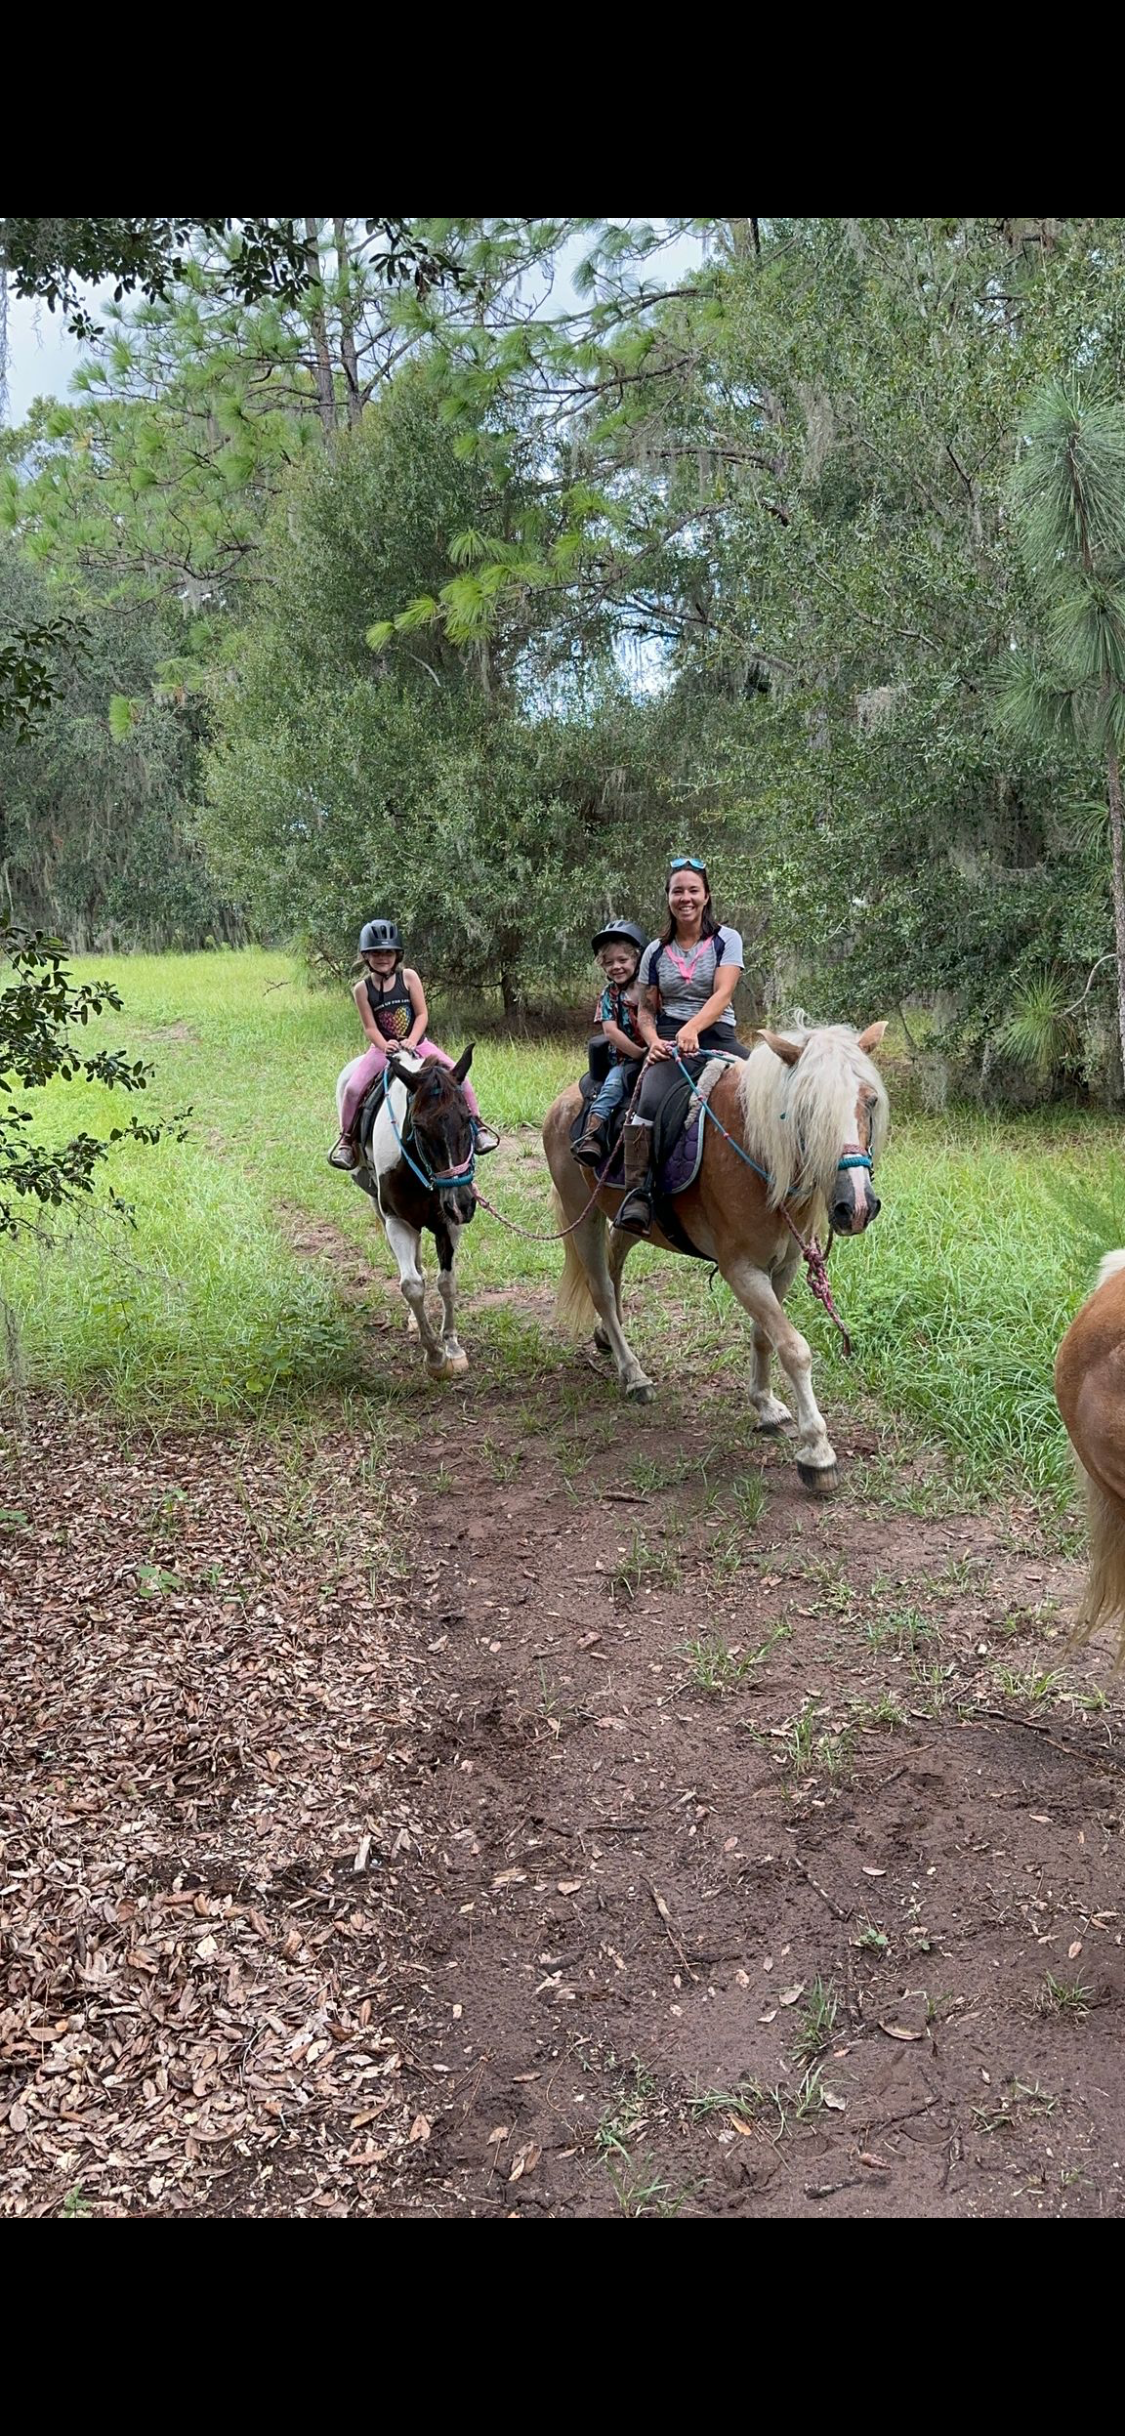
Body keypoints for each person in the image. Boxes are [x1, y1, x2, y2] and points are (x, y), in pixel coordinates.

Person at [614, 859, 750, 1234]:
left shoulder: (727, 939)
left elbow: (723, 993)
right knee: (649, 1100)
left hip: (717, 1033)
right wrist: (655, 1042)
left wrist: (693, 1029)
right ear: (668, 898)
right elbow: (645, 1009)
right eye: (678, 891)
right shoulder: (655, 952)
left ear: (706, 896)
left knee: (768, 1088)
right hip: (671, 1037)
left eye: (693, 890)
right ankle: (638, 1194)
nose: (685, 898)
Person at [328, 918, 492, 1171]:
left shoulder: (409, 977)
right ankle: (347, 1140)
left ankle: (478, 1126)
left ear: (397, 954)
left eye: (388, 952)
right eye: (376, 953)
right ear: (366, 956)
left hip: (419, 1044)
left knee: (459, 1078)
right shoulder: (362, 989)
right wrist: (385, 1046)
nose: (383, 957)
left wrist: (412, 1040)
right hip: (383, 1050)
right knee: (352, 1089)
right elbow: (370, 1027)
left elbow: (422, 1014)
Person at [572, 920, 647, 1169]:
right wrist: (639, 1053)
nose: (616, 966)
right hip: (626, 1059)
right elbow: (611, 1031)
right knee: (613, 1086)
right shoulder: (609, 995)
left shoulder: (652, 989)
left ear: (637, 958)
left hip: (658, 1053)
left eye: (623, 960)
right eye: (609, 962)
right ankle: (592, 1133)